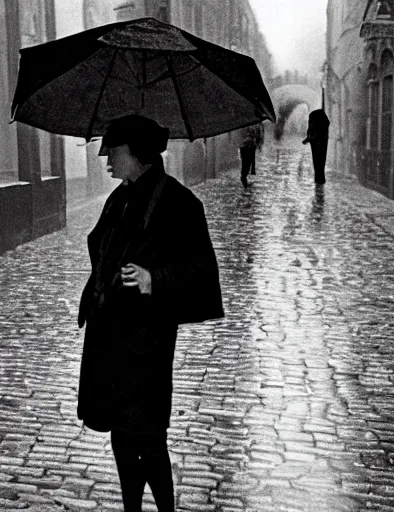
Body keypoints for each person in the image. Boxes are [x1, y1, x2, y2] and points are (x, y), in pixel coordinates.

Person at [77, 114, 224, 512]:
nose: (106, 158)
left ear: (139, 155)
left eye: (115, 151)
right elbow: (104, 253)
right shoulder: (119, 198)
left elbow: (202, 271)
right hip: (110, 335)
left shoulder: (178, 202)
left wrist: (153, 278)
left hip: (146, 342)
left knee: (147, 436)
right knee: (121, 435)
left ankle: (165, 510)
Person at [302, 109, 330, 184]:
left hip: (316, 142)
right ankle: (320, 179)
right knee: (320, 161)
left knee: (317, 161)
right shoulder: (323, 120)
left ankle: (319, 179)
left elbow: (310, 130)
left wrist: (309, 138)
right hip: (320, 142)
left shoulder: (313, 117)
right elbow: (310, 130)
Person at [239, 123, 264, 188]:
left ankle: (244, 177)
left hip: (250, 146)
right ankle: (244, 178)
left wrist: (259, 144)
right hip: (246, 146)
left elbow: (259, 136)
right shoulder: (246, 125)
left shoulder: (257, 125)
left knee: (247, 162)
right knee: (245, 162)